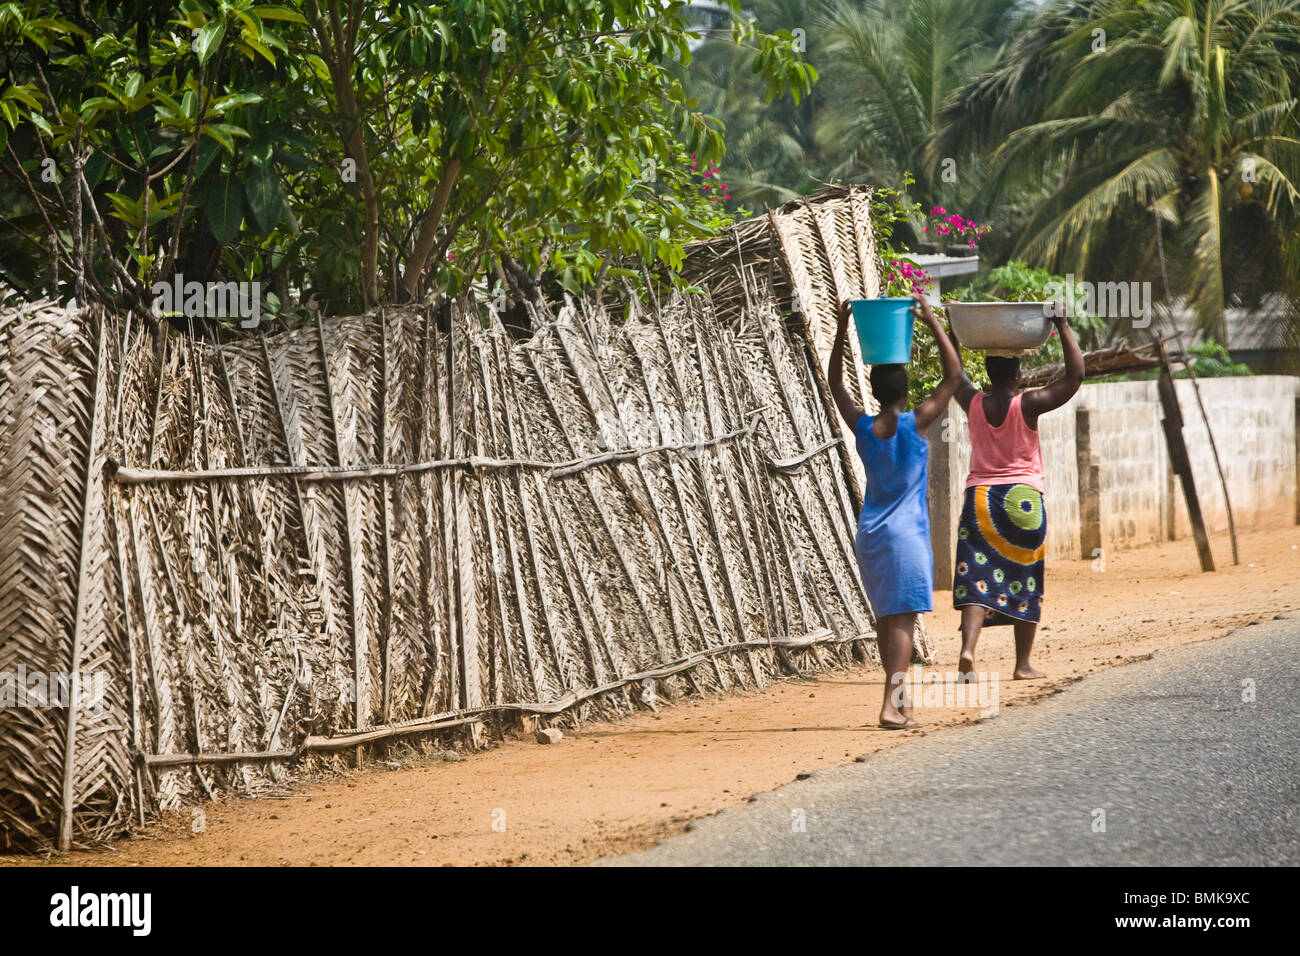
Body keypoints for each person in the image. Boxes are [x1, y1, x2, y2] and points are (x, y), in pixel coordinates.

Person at [829, 294, 964, 729]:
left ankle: (903, 705)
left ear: (873, 390)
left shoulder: (864, 427)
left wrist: (840, 329)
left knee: (888, 618)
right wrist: (931, 322)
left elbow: (835, 386)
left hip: (870, 533)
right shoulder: (915, 422)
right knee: (904, 617)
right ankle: (890, 705)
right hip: (906, 535)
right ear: (906, 391)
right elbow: (954, 375)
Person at [949, 303, 1084, 681]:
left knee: (975, 576)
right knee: (1027, 576)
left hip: (980, 503)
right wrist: (1062, 325)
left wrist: (951, 328)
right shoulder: (1028, 404)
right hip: (1023, 501)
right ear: (1018, 372)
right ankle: (1022, 664)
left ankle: (968, 650)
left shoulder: (973, 402)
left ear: (989, 374)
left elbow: (954, 373)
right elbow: (1075, 378)